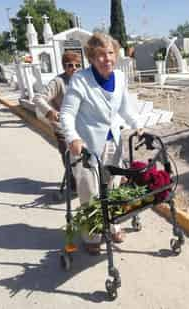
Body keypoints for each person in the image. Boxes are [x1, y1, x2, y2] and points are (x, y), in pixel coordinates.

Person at [60, 33, 142, 244]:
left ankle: (114, 225)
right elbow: (67, 113)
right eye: (100, 55)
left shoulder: (120, 77)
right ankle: (92, 236)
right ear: (91, 58)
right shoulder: (80, 80)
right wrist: (73, 137)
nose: (107, 59)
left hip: (113, 142)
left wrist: (137, 124)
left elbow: (125, 107)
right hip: (87, 146)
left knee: (113, 187)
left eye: (110, 53)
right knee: (89, 193)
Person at [33, 51, 82, 192]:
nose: (74, 68)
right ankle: (72, 185)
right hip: (63, 129)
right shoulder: (58, 82)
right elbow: (38, 98)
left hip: (80, 128)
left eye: (77, 65)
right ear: (64, 67)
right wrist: (49, 112)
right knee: (69, 159)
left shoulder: (81, 80)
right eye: (70, 65)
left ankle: (83, 184)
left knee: (83, 159)